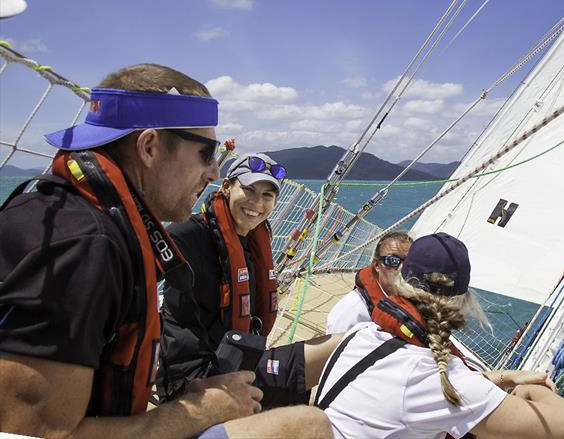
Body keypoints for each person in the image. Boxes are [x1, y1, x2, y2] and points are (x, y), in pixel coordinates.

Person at [0, 64, 333, 438]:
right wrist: (196, 412)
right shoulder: (82, 245)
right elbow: (29, 433)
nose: (212, 173)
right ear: (149, 147)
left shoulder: (75, 218)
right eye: (207, 154)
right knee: (309, 426)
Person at [316, 232, 564, 439]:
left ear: (402, 280)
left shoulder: (361, 334)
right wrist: (530, 388)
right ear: (462, 300)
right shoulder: (435, 378)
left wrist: (504, 377)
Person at [159, 152, 332, 408]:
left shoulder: (254, 242)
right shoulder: (188, 235)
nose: (257, 203)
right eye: (249, 190)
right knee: (301, 395)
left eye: (267, 196)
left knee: (334, 353)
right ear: (227, 187)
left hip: (237, 362)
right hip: (194, 378)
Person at [326, 231, 413, 333]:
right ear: (377, 265)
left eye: (408, 263)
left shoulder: (410, 299)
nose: (401, 268)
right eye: (392, 261)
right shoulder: (353, 310)